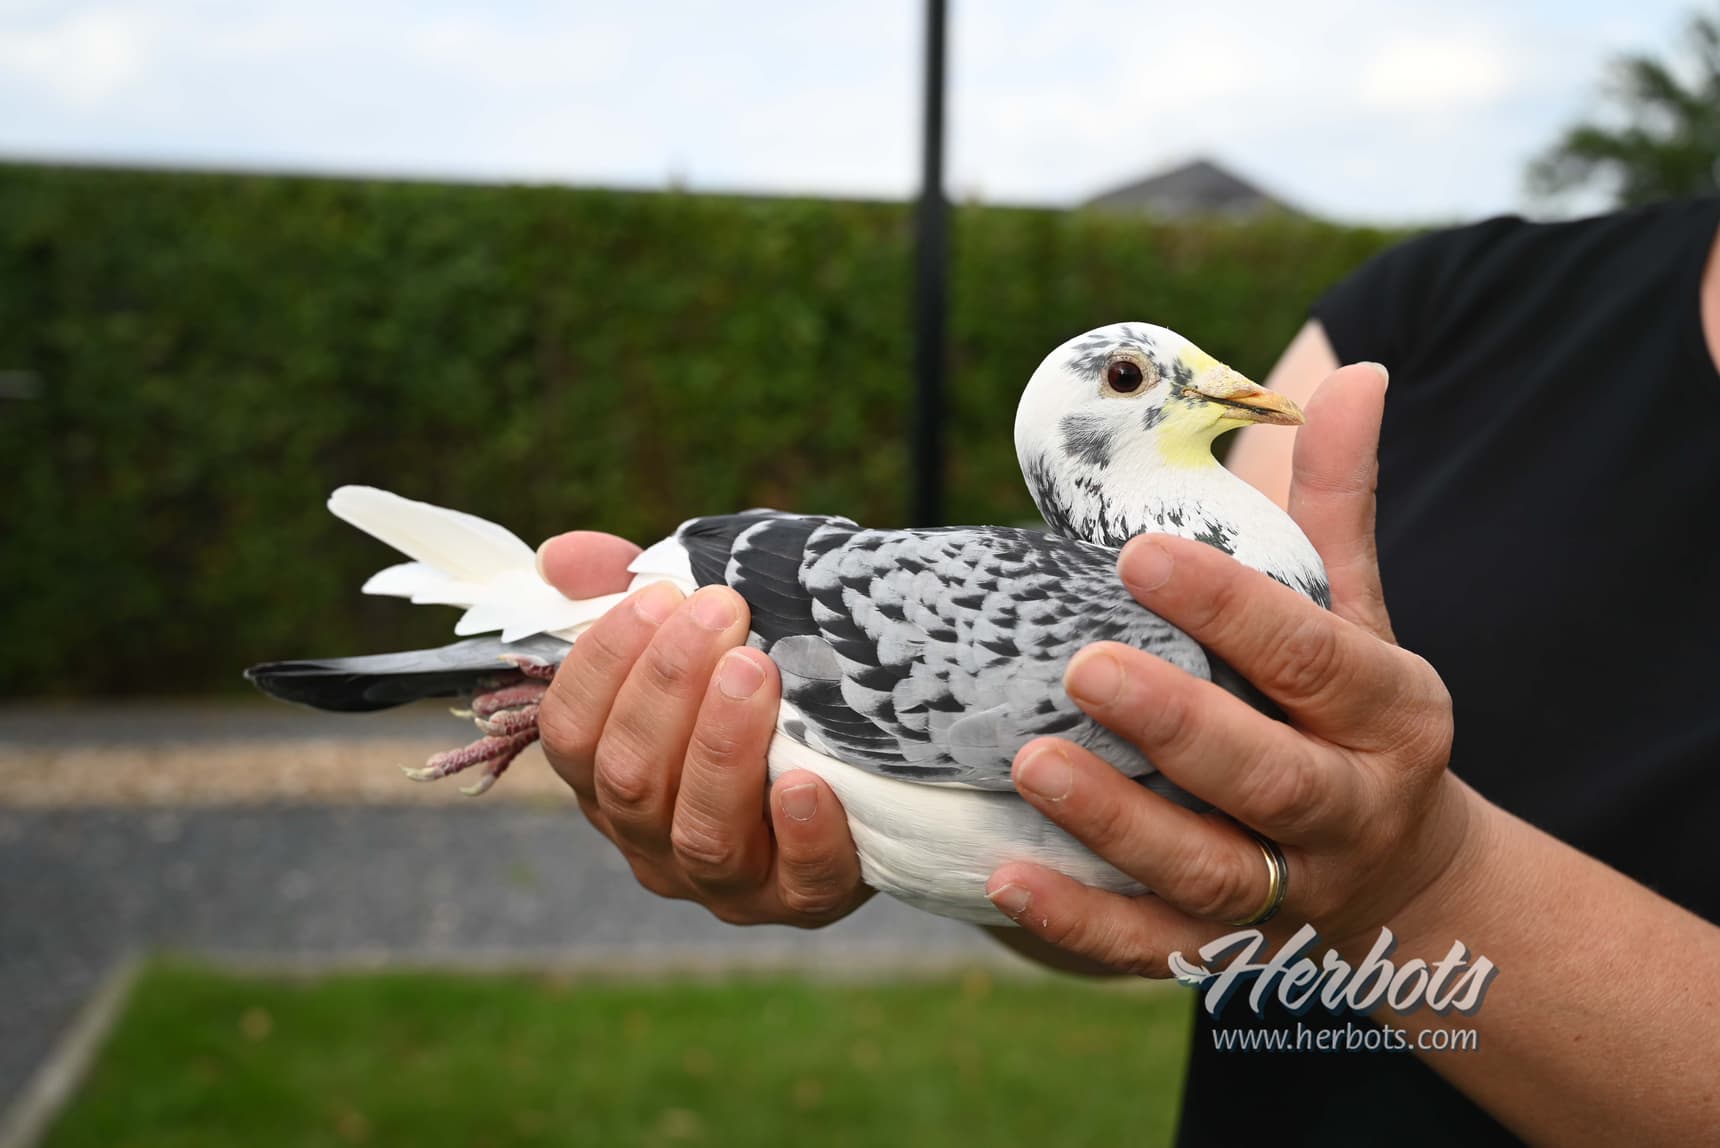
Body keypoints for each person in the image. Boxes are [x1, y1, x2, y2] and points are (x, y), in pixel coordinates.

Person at [529, 195, 1720, 1145]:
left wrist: (1414, 882)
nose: (1221, 390)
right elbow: (1104, 820)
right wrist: (892, 842)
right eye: (1148, 380)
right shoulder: (1442, 299)